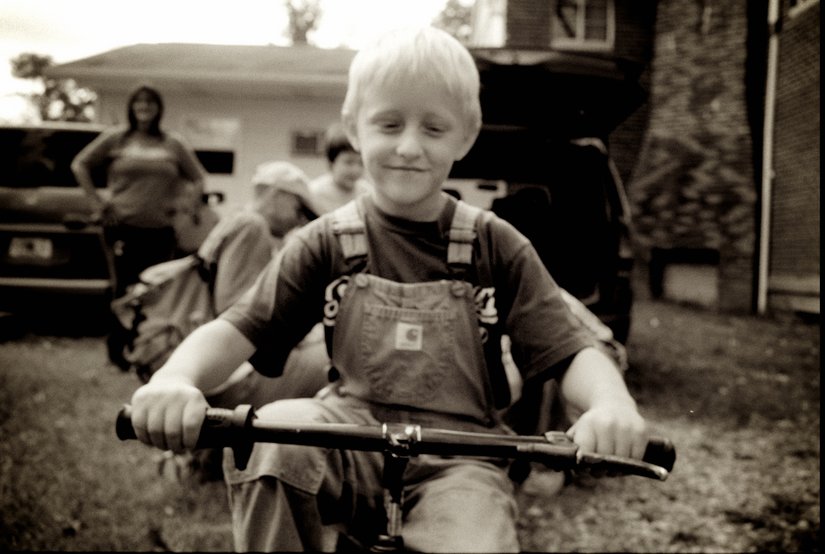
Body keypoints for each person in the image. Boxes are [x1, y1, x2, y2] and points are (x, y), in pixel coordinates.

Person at [128, 26, 648, 552]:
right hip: (344, 434)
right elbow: (237, 328)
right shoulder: (324, 240)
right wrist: (176, 378)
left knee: (476, 541)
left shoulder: (498, 246)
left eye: (434, 128)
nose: (408, 146)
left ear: (466, 136)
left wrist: (611, 405)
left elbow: (570, 350)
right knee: (271, 438)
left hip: (460, 456)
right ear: (354, 128)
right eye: (389, 123)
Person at [71, 85, 208, 368]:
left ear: (159, 109)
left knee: (155, 291)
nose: (144, 107)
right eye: (139, 103)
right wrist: (98, 203)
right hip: (121, 226)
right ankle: (118, 352)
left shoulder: (172, 143)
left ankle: (147, 348)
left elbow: (198, 178)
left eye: (150, 103)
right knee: (123, 289)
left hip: (160, 230)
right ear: (131, 108)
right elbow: (80, 165)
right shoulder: (116, 138)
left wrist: (186, 208)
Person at [307, 121, 371, 213]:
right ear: (331, 163)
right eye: (349, 162)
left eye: (361, 163)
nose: (356, 170)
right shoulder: (313, 193)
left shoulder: (367, 194)